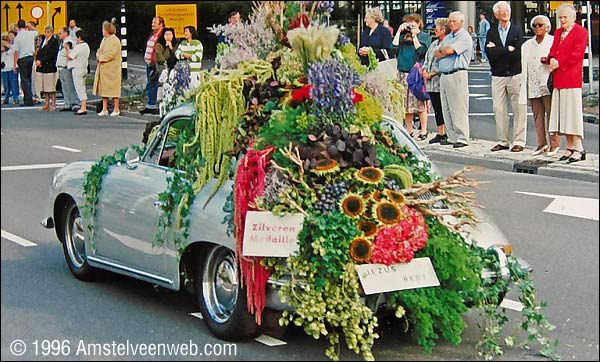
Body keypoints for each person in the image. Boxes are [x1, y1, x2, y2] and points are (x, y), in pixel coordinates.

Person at [547, 4, 589, 163]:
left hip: (571, 78)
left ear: (573, 18)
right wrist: (551, 59)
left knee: (572, 113)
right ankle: (569, 146)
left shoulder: (581, 32)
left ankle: (579, 147)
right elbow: (553, 50)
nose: (562, 20)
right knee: (562, 115)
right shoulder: (558, 32)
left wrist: (559, 63)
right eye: (560, 17)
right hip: (559, 78)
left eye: (565, 17)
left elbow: (577, 54)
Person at [486, 1, 526, 153]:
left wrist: (498, 50)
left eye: (507, 11)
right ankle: (503, 141)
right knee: (498, 109)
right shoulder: (491, 32)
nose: (505, 14)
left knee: (519, 108)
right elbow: (490, 54)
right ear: (496, 15)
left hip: (515, 73)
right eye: (501, 12)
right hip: (498, 74)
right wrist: (506, 50)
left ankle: (519, 141)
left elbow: (518, 53)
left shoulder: (517, 31)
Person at [518, 15, 560, 156]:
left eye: (540, 25)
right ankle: (541, 143)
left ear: (547, 27)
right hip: (532, 83)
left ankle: (555, 144)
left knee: (551, 114)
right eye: (534, 25)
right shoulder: (527, 45)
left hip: (547, 83)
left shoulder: (553, 41)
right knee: (537, 115)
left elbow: (558, 59)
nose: (537, 28)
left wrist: (548, 60)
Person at [435, 11, 473, 148]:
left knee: (458, 107)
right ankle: (452, 136)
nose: (451, 24)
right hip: (444, 74)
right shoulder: (448, 37)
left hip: (457, 73)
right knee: (447, 108)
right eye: (450, 21)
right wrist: (444, 50)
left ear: (462, 22)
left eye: (454, 21)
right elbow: (436, 52)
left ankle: (462, 137)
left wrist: (444, 50)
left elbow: (450, 51)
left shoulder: (464, 37)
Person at [392, 13, 431, 140]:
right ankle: (409, 130)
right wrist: (399, 31)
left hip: (416, 72)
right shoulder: (403, 37)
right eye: (408, 23)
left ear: (419, 23)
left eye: (413, 23)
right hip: (402, 71)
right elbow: (393, 47)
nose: (410, 26)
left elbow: (422, 51)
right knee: (405, 104)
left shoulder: (424, 36)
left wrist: (415, 36)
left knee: (419, 102)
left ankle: (423, 130)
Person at [422, 18, 450, 144]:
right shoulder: (434, 44)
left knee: (444, 107)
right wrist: (424, 71)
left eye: (437, 28)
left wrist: (432, 73)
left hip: (439, 80)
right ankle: (440, 132)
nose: (435, 30)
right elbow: (427, 59)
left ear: (443, 30)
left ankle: (447, 132)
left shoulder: (447, 43)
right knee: (436, 107)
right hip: (430, 82)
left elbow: (443, 62)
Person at [93, 21, 122, 117]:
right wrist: (98, 56)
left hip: (112, 69)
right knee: (104, 90)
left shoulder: (115, 40)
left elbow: (111, 54)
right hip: (104, 68)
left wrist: (101, 58)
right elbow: (99, 50)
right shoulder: (104, 40)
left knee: (114, 89)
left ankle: (116, 109)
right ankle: (104, 109)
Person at [140, 16, 165, 115]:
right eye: (152, 22)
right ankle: (150, 105)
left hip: (156, 65)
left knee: (154, 84)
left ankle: (154, 106)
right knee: (151, 84)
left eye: (155, 23)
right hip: (149, 64)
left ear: (161, 24)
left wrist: (156, 63)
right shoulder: (154, 34)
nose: (152, 24)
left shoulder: (161, 36)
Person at [35, 26, 59, 111]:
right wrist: (37, 60)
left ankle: (53, 104)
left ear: (52, 32)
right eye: (45, 32)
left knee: (51, 87)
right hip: (42, 67)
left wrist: (42, 61)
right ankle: (46, 103)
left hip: (49, 67)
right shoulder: (43, 40)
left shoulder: (54, 41)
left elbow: (51, 54)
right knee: (45, 87)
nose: (46, 33)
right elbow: (39, 51)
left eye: (48, 32)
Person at [13, 20, 37, 106]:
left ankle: (28, 99)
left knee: (24, 79)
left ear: (18, 26)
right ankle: (29, 97)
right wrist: (29, 26)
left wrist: (14, 64)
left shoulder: (17, 37)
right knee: (29, 78)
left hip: (22, 58)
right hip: (30, 57)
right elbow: (36, 31)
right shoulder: (30, 34)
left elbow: (16, 52)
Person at [56, 26, 79, 111]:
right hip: (61, 67)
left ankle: (74, 103)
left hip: (66, 67)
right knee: (64, 87)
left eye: (60, 33)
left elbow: (70, 47)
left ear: (65, 33)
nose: (59, 35)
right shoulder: (62, 42)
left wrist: (67, 47)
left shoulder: (69, 41)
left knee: (69, 86)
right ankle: (67, 103)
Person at [67, 29, 90, 115]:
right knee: (82, 86)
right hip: (84, 67)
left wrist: (67, 49)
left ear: (79, 37)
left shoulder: (78, 47)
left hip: (77, 68)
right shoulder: (86, 46)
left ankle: (83, 107)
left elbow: (70, 57)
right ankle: (83, 105)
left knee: (79, 87)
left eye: (77, 37)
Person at [174, 26, 203, 90]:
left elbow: (198, 57)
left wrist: (188, 56)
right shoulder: (183, 43)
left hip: (194, 72)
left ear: (191, 33)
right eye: (184, 32)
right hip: (184, 72)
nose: (185, 33)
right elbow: (177, 54)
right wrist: (183, 55)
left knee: (194, 89)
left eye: (186, 31)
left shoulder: (197, 43)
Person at [1, 31, 20, 105]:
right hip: (4, 67)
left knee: (13, 83)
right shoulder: (3, 47)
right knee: (5, 84)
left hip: (12, 66)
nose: (9, 37)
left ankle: (16, 98)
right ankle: (6, 98)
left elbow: (16, 52)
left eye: (11, 35)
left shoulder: (14, 45)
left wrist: (15, 65)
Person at [28, 21, 43, 104]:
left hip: (35, 58)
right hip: (31, 58)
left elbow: (38, 47)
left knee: (35, 79)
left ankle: (37, 96)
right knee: (31, 79)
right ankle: (33, 96)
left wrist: (35, 57)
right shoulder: (29, 35)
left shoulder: (36, 34)